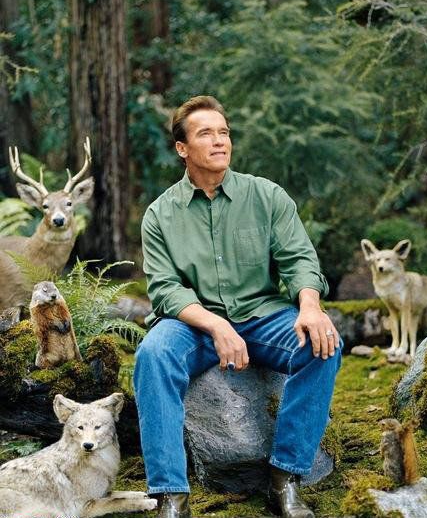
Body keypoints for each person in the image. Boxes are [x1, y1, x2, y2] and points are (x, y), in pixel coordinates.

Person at [134, 95, 342, 518]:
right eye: (205, 134)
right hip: (192, 324)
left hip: (264, 316)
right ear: (182, 148)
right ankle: (171, 494)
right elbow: (166, 290)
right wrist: (215, 325)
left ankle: (285, 477)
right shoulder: (160, 215)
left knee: (324, 345)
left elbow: (300, 260)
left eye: (224, 132)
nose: (219, 141)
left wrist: (310, 306)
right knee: (153, 355)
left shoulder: (266, 196)